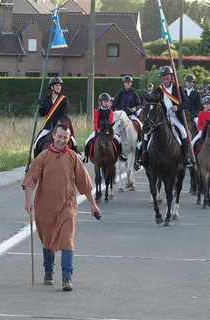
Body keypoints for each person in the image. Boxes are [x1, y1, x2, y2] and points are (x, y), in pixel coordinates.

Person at [22, 123, 101, 292]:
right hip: (45, 206)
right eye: (59, 136)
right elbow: (30, 181)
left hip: (68, 205)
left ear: (69, 138)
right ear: (53, 136)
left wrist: (93, 205)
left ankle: (67, 277)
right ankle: (48, 271)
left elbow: (84, 185)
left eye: (65, 137)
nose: (62, 140)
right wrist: (28, 201)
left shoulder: (73, 157)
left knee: (67, 240)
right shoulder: (43, 157)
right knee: (48, 240)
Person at [153, 66, 193, 167]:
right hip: (161, 119)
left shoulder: (178, 88)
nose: (165, 81)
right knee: (147, 135)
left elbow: (186, 103)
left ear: (171, 77)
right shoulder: (158, 90)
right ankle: (144, 156)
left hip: (175, 118)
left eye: (167, 78)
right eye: (163, 79)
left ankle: (185, 157)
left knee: (183, 133)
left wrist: (178, 107)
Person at [34, 77, 79, 158]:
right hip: (48, 126)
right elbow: (42, 114)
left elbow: (64, 114)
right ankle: (35, 162)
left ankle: (77, 157)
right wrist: (40, 106)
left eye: (59, 85)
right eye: (56, 85)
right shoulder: (46, 99)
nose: (58, 87)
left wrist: (59, 123)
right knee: (36, 142)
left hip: (60, 125)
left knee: (73, 141)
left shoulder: (64, 99)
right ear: (52, 87)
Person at [84, 93, 127, 162]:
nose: (107, 103)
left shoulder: (110, 112)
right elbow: (95, 121)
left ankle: (120, 155)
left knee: (119, 140)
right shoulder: (97, 111)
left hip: (108, 130)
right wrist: (96, 130)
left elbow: (110, 122)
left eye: (108, 101)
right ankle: (86, 156)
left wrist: (108, 130)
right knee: (86, 142)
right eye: (105, 101)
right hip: (98, 130)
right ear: (101, 102)